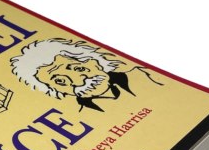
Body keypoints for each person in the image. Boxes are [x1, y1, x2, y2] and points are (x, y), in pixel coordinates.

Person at [10, 38, 162, 111]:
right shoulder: (76, 117)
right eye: (61, 81)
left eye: (77, 69)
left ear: (92, 61)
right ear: (55, 90)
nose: (79, 82)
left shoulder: (146, 77)